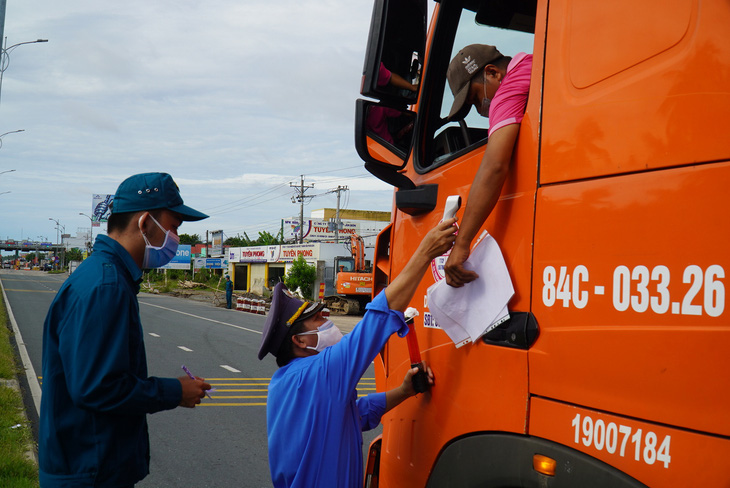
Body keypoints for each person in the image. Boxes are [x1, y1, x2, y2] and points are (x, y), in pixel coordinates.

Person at [39, 172, 212, 487]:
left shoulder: (105, 276)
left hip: (88, 466)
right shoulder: (106, 286)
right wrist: (176, 391)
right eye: (173, 227)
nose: (176, 238)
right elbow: (97, 388)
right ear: (145, 223)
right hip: (90, 471)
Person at [258, 219, 457, 488]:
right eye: (317, 319)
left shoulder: (284, 382)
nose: (327, 320)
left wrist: (403, 391)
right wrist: (425, 252)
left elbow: (353, 415)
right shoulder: (320, 373)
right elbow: (376, 320)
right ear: (300, 341)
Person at [443, 44, 533, 287]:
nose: (479, 107)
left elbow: (494, 167)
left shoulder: (509, 89)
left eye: (474, 98)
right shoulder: (533, 67)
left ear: (492, 72)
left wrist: (462, 244)